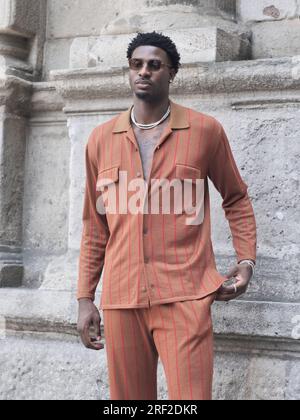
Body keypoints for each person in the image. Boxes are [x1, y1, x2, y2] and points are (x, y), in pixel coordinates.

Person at [77, 31, 257, 400]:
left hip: (186, 295)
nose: (144, 72)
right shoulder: (100, 140)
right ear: (129, 71)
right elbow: (95, 227)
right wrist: (84, 298)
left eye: (154, 65)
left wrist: (246, 260)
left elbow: (236, 198)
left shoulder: (205, 131)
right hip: (122, 298)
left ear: (172, 72)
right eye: (136, 64)